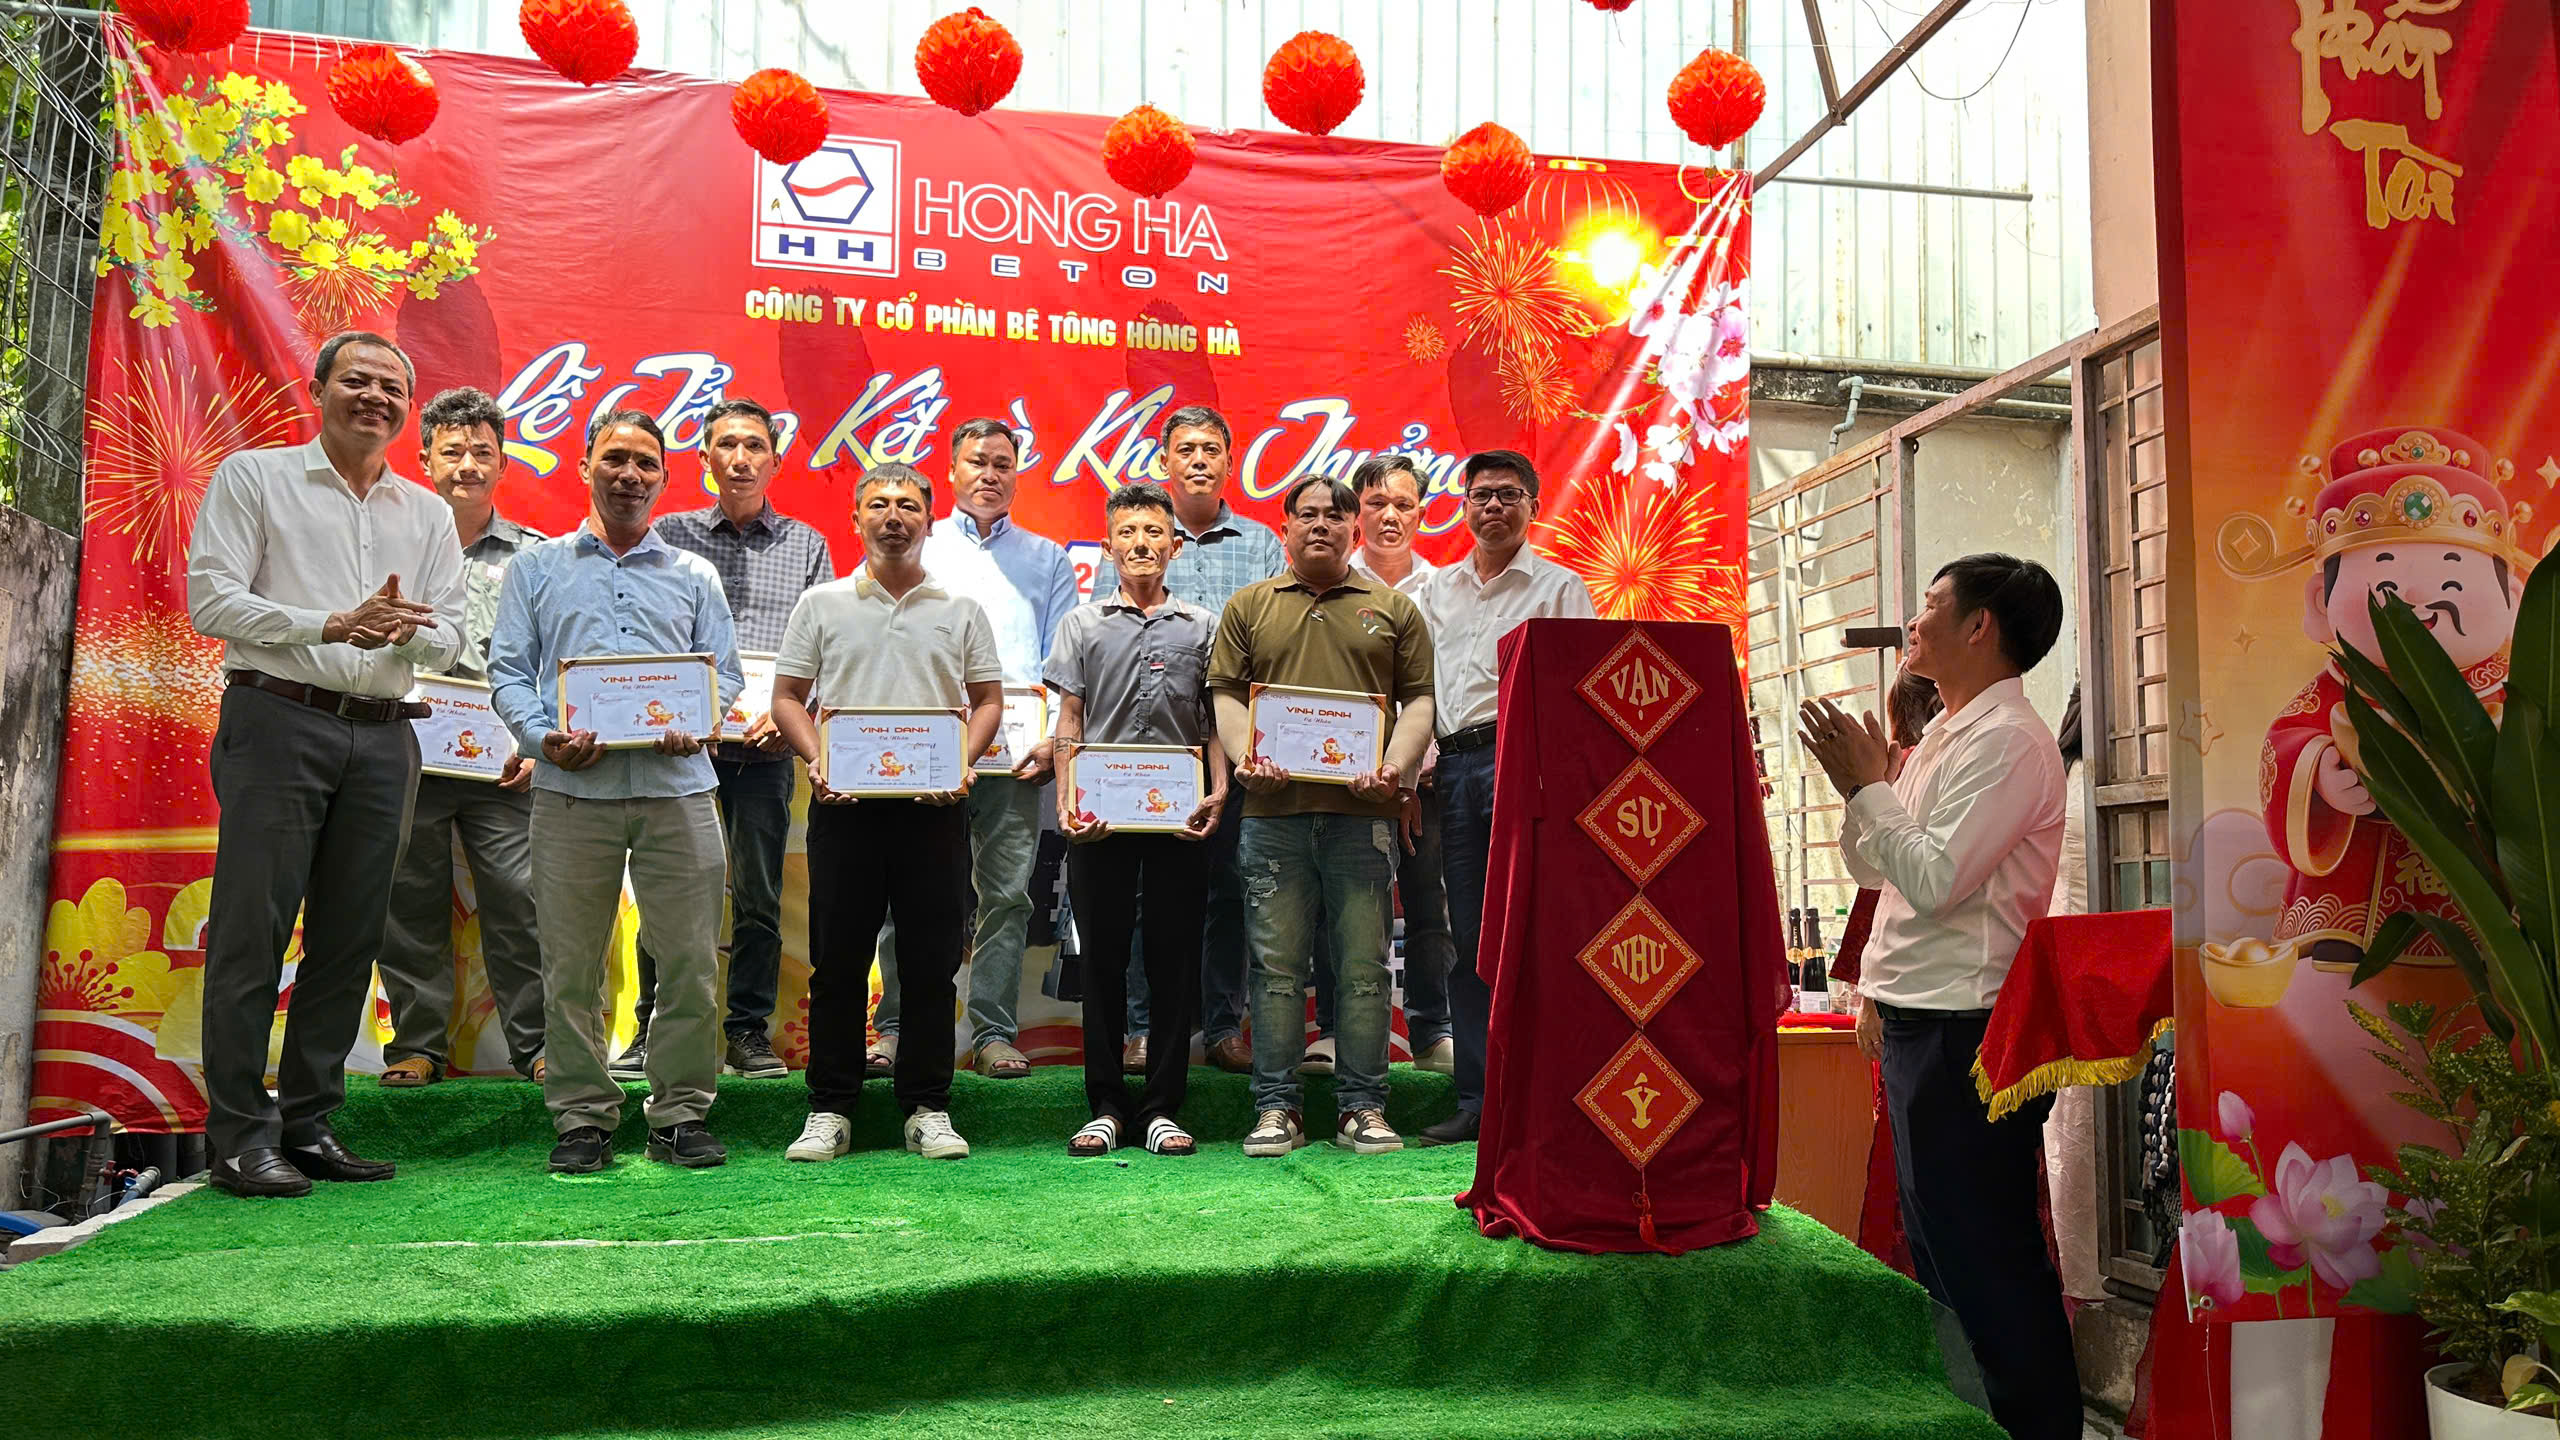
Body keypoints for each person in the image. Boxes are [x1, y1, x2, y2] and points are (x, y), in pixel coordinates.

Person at [1797, 552, 2078, 1440]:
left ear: (1979, 626)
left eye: (1928, 607)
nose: (1912, 624)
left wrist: (1868, 786)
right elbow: (1872, 866)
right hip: (1923, 1021)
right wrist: (1866, 788)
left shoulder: (2008, 742)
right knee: (1946, 1257)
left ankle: (2037, 1428)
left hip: (1969, 1027)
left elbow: (1935, 879)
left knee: (1988, 1258)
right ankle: (1988, 1422)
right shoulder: (1951, 733)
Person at [186, 330, 466, 1199]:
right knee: (254, 931)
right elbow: (211, 600)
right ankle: (239, 1136)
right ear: (318, 389)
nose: (375, 397)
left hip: (385, 735)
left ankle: (309, 1123)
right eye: (357, 380)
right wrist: (332, 624)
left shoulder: (426, 514)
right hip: (278, 719)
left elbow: (452, 637)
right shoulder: (255, 478)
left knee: (350, 938)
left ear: (407, 407)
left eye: (392, 386)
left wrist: (404, 631)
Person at [489, 409, 743, 1175]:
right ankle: (582, 1118)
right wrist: (541, 738)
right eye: (615, 459)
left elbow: (725, 676)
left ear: (665, 477)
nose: (629, 474)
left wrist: (698, 722)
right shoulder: (535, 568)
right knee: (570, 967)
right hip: (570, 791)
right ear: (585, 466)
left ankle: (680, 1114)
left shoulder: (694, 575)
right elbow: (508, 672)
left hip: (679, 790)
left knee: (691, 963)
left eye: (645, 463)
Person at [771, 462, 1004, 1165]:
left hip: (933, 811)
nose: (893, 516)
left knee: (931, 965)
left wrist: (960, 762)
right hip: (844, 808)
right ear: (856, 519)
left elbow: (988, 700)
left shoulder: (960, 609)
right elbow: (787, 698)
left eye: (908, 505)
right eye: (879, 504)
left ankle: (928, 1106)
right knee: (836, 964)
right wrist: (819, 758)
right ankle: (830, 1107)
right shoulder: (822, 604)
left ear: (929, 520)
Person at [1212, 474, 1436, 1156]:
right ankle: (1276, 1108)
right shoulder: (1249, 606)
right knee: (1275, 970)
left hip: (1362, 818)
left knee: (1365, 967)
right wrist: (1246, 757)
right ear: (1285, 527)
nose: (1320, 525)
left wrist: (1393, 768)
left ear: (1352, 531)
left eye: (1334, 517)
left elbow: (1420, 702)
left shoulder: (1392, 608)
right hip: (1271, 815)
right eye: (1306, 514)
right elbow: (1226, 696)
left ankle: (1362, 1107)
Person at [617, 398, 833, 1084]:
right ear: (704, 457)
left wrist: (794, 712)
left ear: (775, 460)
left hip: (764, 754)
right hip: (678, 749)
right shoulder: (669, 535)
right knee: (666, 891)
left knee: (759, 897)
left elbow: (827, 648)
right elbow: (644, 632)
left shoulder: (806, 544)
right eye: (727, 445)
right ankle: (652, 1028)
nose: (740, 458)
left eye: (754, 446)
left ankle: (746, 1032)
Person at [873, 417, 1078, 1081]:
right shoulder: (916, 542)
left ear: (1016, 475)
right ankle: (895, 1030)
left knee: (1007, 897)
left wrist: (1052, 738)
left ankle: (992, 1033)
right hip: (923, 752)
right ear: (952, 471)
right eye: (976, 462)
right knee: (909, 895)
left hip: (1016, 759)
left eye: (1001, 464)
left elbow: (1063, 663)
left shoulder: (1047, 559)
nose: (989, 474)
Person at [1408, 449, 1597, 1147]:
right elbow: (1414, 688)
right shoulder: (1435, 591)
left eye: (1508, 495)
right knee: (1470, 937)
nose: (1493, 506)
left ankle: (1544, 1100)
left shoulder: (1560, 588)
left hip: (1525, 768)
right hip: (1451, 770)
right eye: (1481, 494)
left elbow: (1581, 691)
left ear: (1533, 507)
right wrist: (1415, 764)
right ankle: (1479, 1102)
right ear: (1464, 507)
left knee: (1536, 934)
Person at [1091, 406, 1284, 1077]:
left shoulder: (1260, 544)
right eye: (1186, 449)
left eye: (1210, 449)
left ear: (1229, 461)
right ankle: (1142, 1028)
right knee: (1145, 894)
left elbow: (1272, 642)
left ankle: (1225, 1027)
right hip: (1148, 748)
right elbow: (1105, 639)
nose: (1198, 459)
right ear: (1165, 461)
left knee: (1231, 887)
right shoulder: (1133, 535)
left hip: (1235, 744)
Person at [1047, 481, 1227, 1156]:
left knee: (1174, 958)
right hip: (1100, 818)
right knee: (1102, 959)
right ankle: (1105, 1105)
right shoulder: (1081, 625)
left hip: (1180, 817)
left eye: (1154, 532)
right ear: (1108, 546)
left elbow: (1212, 722)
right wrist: (1067, 798)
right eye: (1127, 533)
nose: (1141, 544)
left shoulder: (1203, 627)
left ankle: (1161, 1108)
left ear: (1174, 545)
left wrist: (1219, 789)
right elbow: (1070, 719)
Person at [376, 386, 547, 1089]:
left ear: (503, 463)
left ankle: (540, 1046)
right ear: (424, 461)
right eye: (452, 452)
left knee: (521, 898)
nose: (467, 465)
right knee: (407, 900)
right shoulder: (390, 542)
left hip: (503, 762)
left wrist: (537, 743)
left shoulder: (535, 557)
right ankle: (417, 1045)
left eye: (482, 452)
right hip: (404, 750)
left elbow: (556, 656)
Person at [1295, 453, 1460, 1078]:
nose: (1390, 516)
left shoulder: (1446, 588)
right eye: (1376, 504)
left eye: (1404, 505)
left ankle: (1432, 1031)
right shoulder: (1330, 582)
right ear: (1355, 514)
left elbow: (1439, 688)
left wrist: (1413, 771)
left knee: (1428, 905)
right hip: (1345, 776)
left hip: (1428, 776)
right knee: (1337, 904)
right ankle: (1335, 1031)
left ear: (1422, 513)